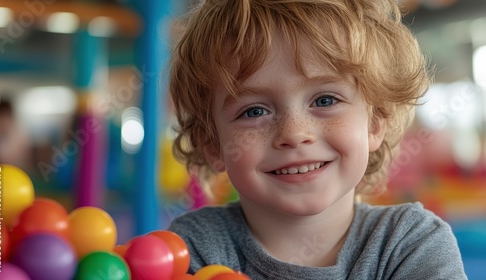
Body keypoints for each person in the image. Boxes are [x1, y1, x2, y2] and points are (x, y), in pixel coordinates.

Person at [167, 0, 467, 279]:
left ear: (375, 123)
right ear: (212, 143)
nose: (294, 133)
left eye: (324, 100)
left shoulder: (410, 242)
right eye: (254, 110)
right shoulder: (193, 249)